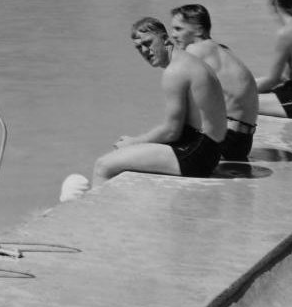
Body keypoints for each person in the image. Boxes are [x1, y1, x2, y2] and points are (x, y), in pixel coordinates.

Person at [63, 17, 226, 198]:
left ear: (165, 39)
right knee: (132, 156)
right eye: (139, 48)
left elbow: (172, 132)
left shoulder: (175, 71)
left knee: (103, 166)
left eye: (148, 43)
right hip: (210, 150)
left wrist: (134, 142)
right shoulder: (188, 61)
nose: (145, 51)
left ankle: (96, 222)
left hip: (198, 154)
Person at [168, 4, 259, 162]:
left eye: (178, 29)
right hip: (242, 142)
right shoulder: (222, 49)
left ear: (198, 29)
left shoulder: (194, 51)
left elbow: (181, 109)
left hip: (226, 141)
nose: (172, 35)